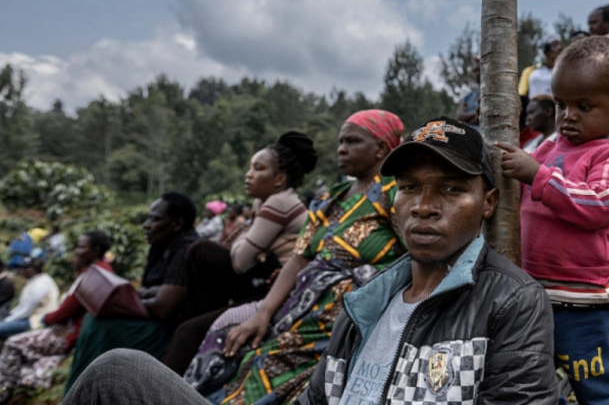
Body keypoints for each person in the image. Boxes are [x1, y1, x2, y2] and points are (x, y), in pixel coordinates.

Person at [62, 115, 560, 405]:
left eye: (451, 190)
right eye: (410, 188)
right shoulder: (369, 299)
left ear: (488, 203)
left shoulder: (510, 301)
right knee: (117, 373)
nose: (424, 206)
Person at [182, 110, 406, 405]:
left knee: (267, 363)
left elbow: (414, 256)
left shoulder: (396, 193)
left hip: (345, 316)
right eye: (340, 141)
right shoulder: (330, 200)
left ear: (380, 148)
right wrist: (263, 313)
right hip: (299, 306)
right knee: (231, 342)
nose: (341, 148)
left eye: (352, 141)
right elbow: (298, 260)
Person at [497, 35, 609, 405]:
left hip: (584, 301)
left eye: (585, 106)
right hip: (532, 295)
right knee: (532, 379)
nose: (569, 116)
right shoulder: (546, 148)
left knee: (596, 384)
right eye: (561, 104)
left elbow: (603, 204)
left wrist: (537, 176)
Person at [162, 132, 317, 375]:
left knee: (200, 255)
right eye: (250, 167)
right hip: (261, 279)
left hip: (274, 289)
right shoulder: (268, 202)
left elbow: (239, 261)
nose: (248, 174)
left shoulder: (280, 202)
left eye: (258, 168)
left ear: (279, 178)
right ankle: (199, 318)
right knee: (201, 255)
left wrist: (247, 241)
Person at [64, 192, 199, 393]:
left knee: (99, 326)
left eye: (154, 219)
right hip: (151, 321)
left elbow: (164, 308)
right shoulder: (160, 248)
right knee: (94, 320)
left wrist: (142, 296)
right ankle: (82, 391)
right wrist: (150, 293)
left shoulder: (186, 249)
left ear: (177, 223)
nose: (146, 224)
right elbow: (145, 291)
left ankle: (85, 392)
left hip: (169, 333)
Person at [0, 231, 112, 403]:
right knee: (29, 359)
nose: (76, 251)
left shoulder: (92, 274)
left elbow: (67, 309)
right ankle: (20, 387)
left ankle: (4, 391)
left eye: (81, 247)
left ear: (96, 250)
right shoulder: (94, 271)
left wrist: (48, 320)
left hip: (69, 332)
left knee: (13, 343)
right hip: (69, 328)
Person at [0, 257, 59, 340]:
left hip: (37, 321)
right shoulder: (33, 281)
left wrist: (7, 320)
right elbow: (22, 306)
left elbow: (27, 310)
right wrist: (9, 316)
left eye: (24, 268)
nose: (21, 271)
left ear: (33, 270)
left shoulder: (41, 284)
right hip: (29, 318)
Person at [456, 56, 480, 130]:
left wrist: (468, 120)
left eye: (479, 69)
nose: (477, 73)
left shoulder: (493, 94)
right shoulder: (468, 96)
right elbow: (459, 116)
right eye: (474, 71)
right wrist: (477, 113)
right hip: (468, 134)